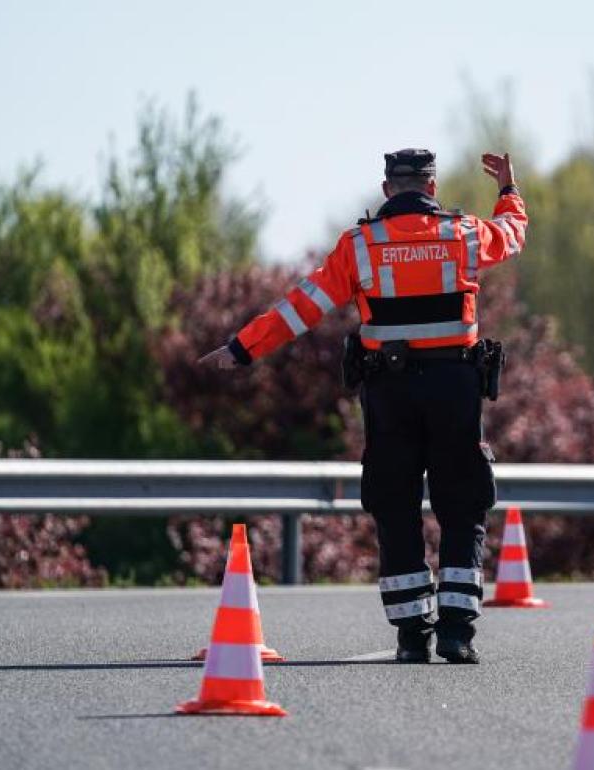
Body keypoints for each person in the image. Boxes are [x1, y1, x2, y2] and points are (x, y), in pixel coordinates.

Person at [199, 148, 527, 663]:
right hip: (454, 390)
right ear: (433, 188)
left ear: (386, 189)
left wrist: (242, 349)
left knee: (395, 508)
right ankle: (457, 633)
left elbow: (302, 306)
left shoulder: (362, 245)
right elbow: (512, 233)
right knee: (462, 506)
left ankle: (411, 634)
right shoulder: (464, 234)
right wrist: (508, 188)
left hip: (390, 395)